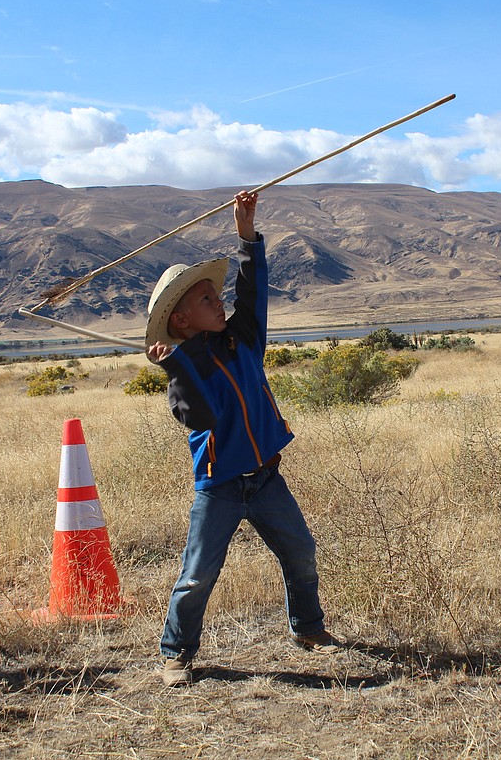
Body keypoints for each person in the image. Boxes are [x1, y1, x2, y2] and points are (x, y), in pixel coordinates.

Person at [146, 190, 340, 687]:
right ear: (182, 320)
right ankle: (176, 654)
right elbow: (202, 417)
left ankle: (309, 629)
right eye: (207, 299)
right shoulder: (183, 369)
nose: (220, 301)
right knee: (197, 576)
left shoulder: (243, 337)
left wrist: (247, 235)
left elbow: (253, 291)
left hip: (266, 476)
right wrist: (175, 366)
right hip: (221, 485)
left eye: (217, 294)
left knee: (301, 552)